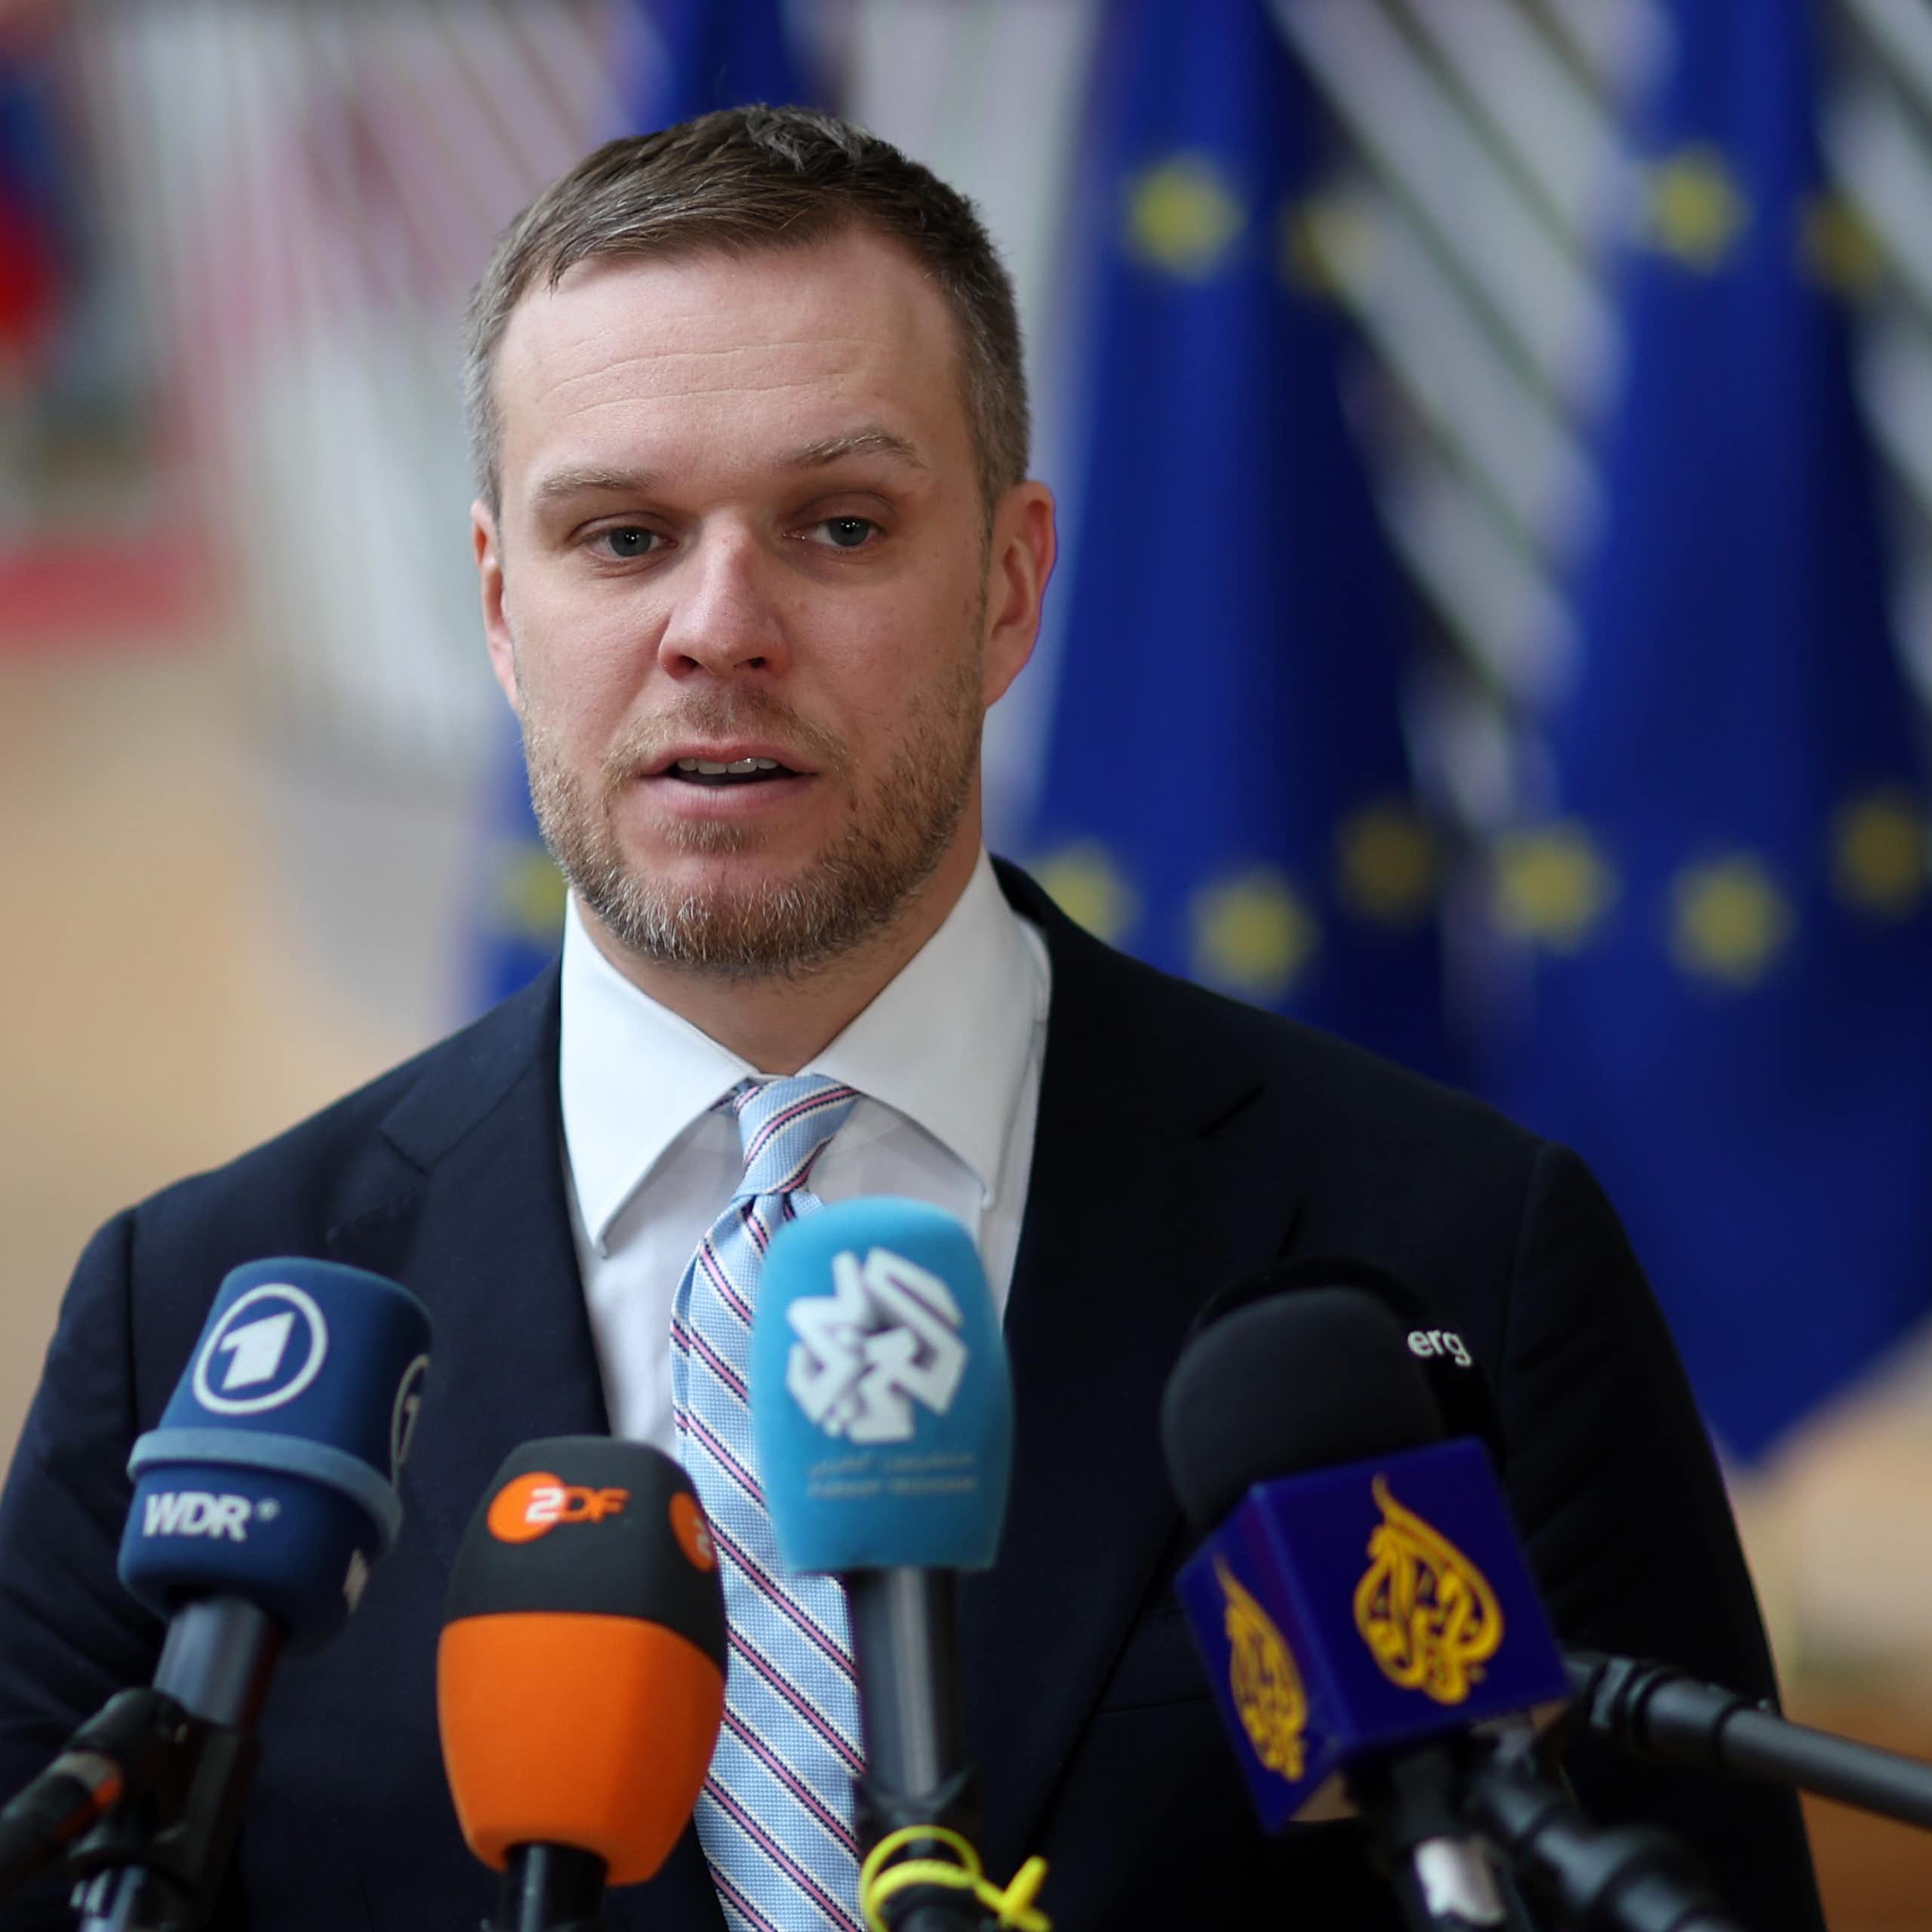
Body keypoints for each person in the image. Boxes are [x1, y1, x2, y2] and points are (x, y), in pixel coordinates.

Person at [0, 106, 1823, 1932]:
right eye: (621, 535)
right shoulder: (201, 1322)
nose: (719, 626)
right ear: (497, 600)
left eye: (839, 524)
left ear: (1010, 584)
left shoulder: (1456, 1257)